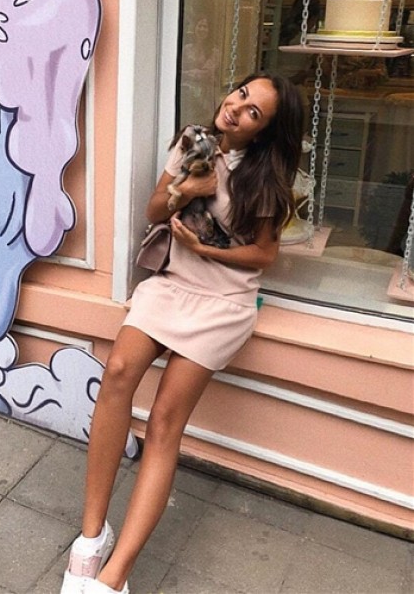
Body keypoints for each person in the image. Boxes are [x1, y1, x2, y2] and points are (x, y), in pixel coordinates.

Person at [61, 73, 304, 594]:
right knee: (117, 374)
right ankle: (91, 537)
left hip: (222, 302)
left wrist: (205, 249)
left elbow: (263, 254)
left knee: (165, 421)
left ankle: (115, 576)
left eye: (254, 112)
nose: (236, 107)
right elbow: (154, 209)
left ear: (264, 132)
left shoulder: (263, 180)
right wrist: (186, 190)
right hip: (172, 284)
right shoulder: (193, 141)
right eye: (241, 94)